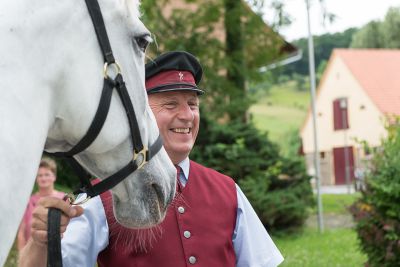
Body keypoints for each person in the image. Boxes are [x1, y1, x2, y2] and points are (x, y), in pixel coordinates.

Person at [19, 51, 284, 267]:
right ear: (142, 115)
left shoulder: (228, 190)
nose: (187, 115)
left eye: (192, 104)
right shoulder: (105, 195)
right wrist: (41, 241)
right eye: (171, 105)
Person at [17, 157, 65, 251]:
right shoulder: (28, 201)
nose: (43, 178)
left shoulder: (63, 199)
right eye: (40, 175)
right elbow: (21, 233)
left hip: (59, 254)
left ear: (54, 177)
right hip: (31, 253)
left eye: (47, 174)